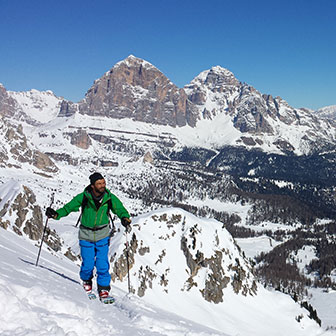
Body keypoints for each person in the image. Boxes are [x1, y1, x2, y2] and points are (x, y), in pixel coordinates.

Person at [46, 172, 131, 301]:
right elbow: (68, 208)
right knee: (88, 263)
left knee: (102, 263)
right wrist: (56, 214)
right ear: (92, 186)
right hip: (86, 234)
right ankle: (86, 282)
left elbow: (119, 209)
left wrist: (125, 218)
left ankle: (103, 288)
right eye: (99, 183)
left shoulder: (109, 197)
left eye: (103, 183)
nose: (102, 185)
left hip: (102, 234)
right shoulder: (84, 197)